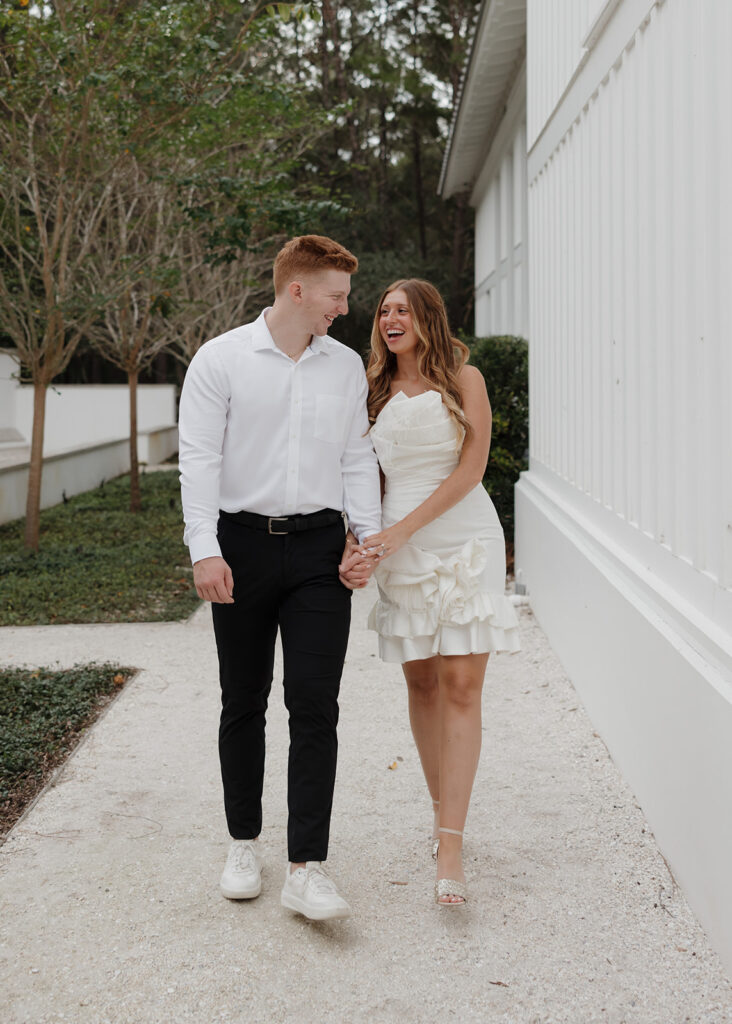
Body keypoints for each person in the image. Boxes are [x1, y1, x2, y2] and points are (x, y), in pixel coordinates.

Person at [178, 235, 381, 921]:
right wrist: (204, 548)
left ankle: (307, 866)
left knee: (315, 704)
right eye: (336, 296)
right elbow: (198, 459)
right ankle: (243, 843)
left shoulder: (345, 367)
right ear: (297, 290)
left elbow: (357, 459)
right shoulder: (222, 360)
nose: (344, 310)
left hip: (322, 551)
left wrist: (366, 541)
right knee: (243, 699)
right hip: (242, 546)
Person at [342, 279, 520, 907]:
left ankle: (451, 847)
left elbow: (472, 471)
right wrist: (358, 539)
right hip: (396, 548)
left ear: (428, 319)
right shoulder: (368, 389)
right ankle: (442, 810)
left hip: (462, 537)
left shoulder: (465, 380)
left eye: (404, 310)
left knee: (463, 686)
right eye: (384, 311)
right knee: (420, 683)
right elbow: (355, 473)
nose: (391, 319)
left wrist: (401, 530)